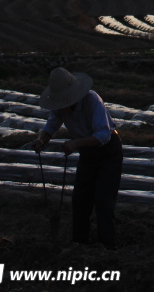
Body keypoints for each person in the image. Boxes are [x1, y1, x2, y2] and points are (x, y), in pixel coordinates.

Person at [33, 67, 123, 250]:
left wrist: (76, 143)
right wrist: (41, 140)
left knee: (103, 200)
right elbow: (51, 127)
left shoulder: (91, 100)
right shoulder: (60, 106)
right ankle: (79, 245)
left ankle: (107, 247)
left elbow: (103, 135)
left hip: (108, 151)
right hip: (88, 152)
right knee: (80, 199)